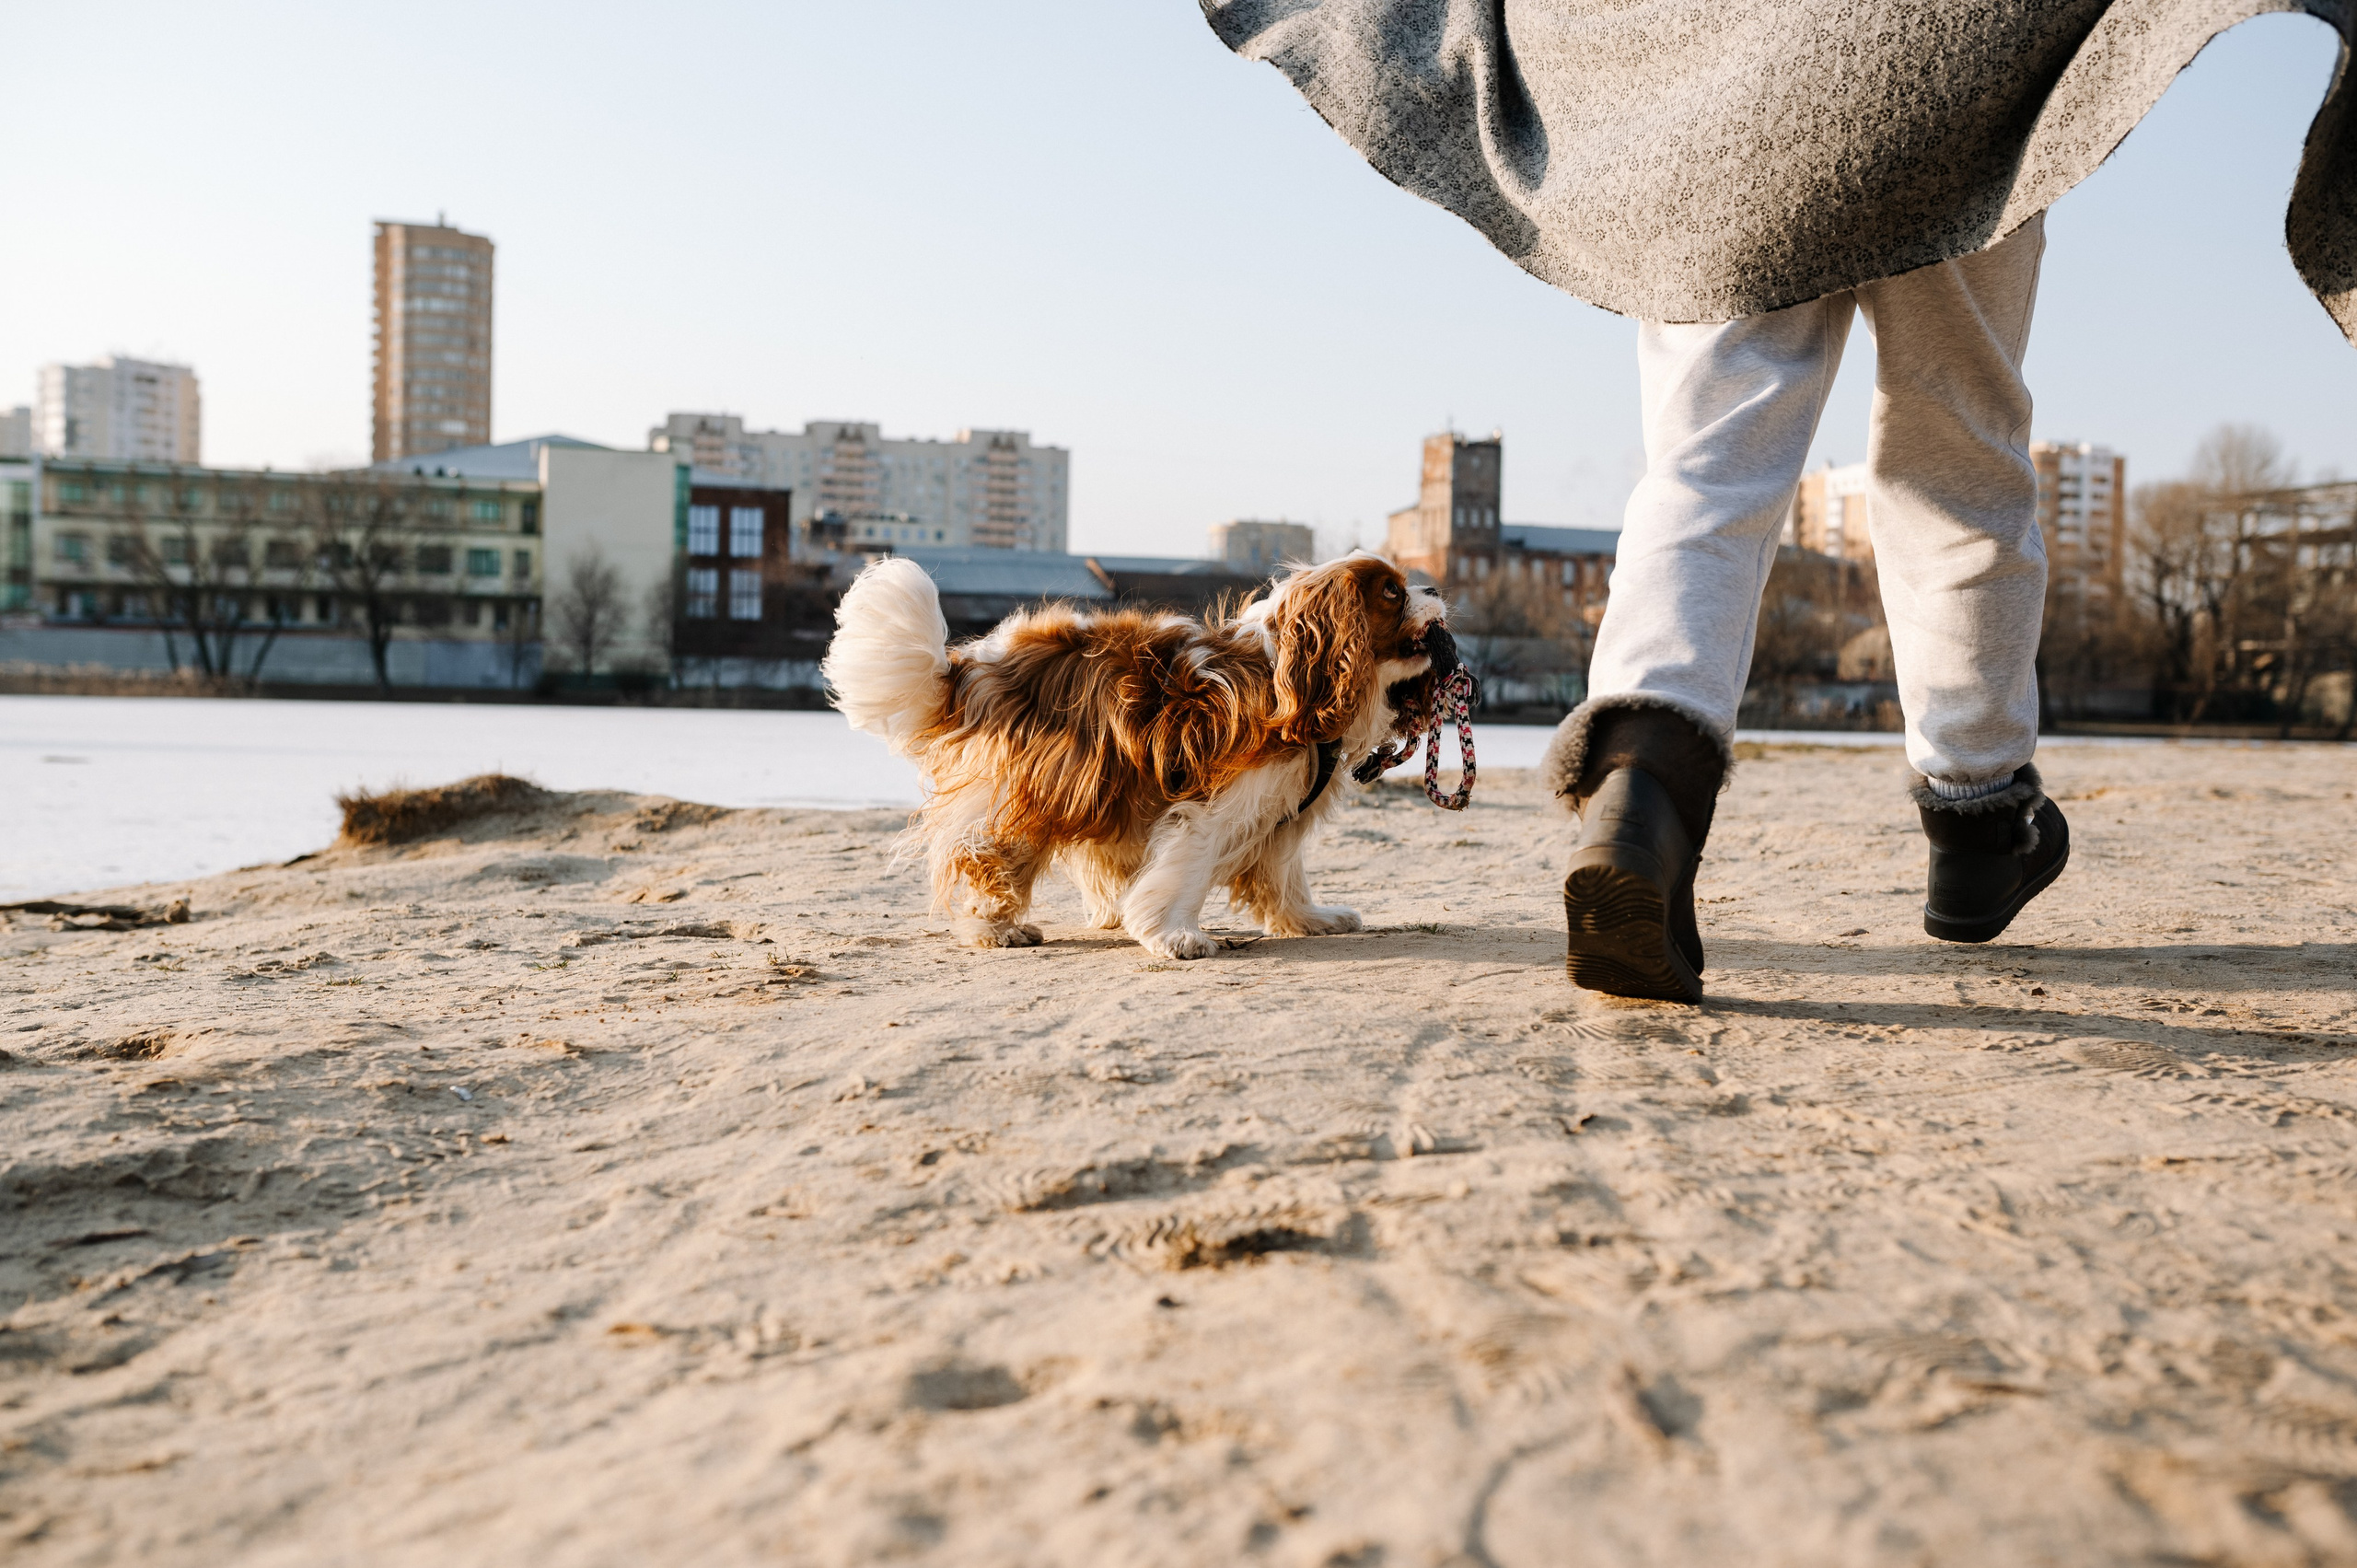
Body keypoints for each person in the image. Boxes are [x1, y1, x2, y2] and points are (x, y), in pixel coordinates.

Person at [1203, 0, 2357, 1002]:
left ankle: (1638, 798)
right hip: (1952, 78)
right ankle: (1976, 820)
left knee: (1705, 461)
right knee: (1956, 447)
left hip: (1716, 90)